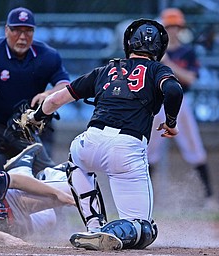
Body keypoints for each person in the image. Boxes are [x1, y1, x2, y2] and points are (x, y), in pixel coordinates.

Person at [23, 19, 184, 251]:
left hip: (89, 142)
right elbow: (173, 89)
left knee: (76, 161)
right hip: (126, 148)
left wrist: (36, 116)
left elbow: (57, 99)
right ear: (160, 48)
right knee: (144, 229)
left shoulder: (106, 70)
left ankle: (94, 226)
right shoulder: (157, 69)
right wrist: (171, 122)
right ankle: (111, 232)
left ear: (128, 44)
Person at [0, 6, 70, 171]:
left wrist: (49, 94)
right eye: (16, 30)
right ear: (6, 30)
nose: (22, 37)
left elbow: (65, 85)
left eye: (28, 31)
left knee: (45, 172)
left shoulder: (47, 56)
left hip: (23, 123)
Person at [147, 8, 217, 210]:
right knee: (148, 151)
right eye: (168, 26)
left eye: (175, 26)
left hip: (180, 100)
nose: (172, 30)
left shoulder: (187, 52)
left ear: (181, 27)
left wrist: (167, 63)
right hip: (156, 101)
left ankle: (210, 198)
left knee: (194, 147)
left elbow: (190, 78)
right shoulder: (152, 52)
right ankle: (146, 200)